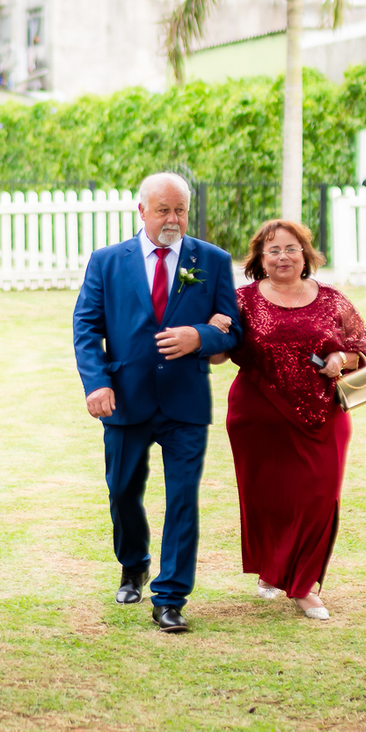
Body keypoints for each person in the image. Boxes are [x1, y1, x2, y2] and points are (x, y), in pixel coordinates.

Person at [72, 172, 240, 634]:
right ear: (142, 210)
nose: (173, 219)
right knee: (122, 490)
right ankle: (133, 564)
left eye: (180, 210)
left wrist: (199, 336)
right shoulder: (107, 261)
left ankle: (170, 598)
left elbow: (234, 330)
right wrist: (96, 383)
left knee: (183, 498)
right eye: (163, 210)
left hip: (185, 401)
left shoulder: (212, 260)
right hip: (125, 398)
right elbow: (86, 327)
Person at [216, 219, 366, 621]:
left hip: (323, 414)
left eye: (291, 248)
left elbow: (363, 346)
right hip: (257, 415)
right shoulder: (240, 300)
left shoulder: (332, 299)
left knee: (321, 496)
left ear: (305, 254)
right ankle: (272, 570)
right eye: (273, 250)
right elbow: (218, 355)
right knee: (268, 499)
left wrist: (341, 358)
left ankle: (303, 587)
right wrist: (212, 327)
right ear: (260, 258)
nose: (283, 256)